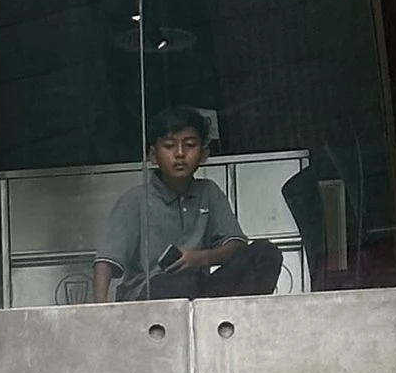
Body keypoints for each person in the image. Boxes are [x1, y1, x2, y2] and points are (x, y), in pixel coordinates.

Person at [92, 113, 281, 301]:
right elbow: (105, 262)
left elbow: (236, 245)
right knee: (174, 283)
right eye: (169, 146)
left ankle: (233, 319)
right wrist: (100, 314)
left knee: (266, 254)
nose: (180, 154)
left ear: (204, 155)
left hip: (199, 290)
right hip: (150, 293)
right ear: (153, 156)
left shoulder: (209, 191)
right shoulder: (134, 199)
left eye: (190, 145)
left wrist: (200, 258)